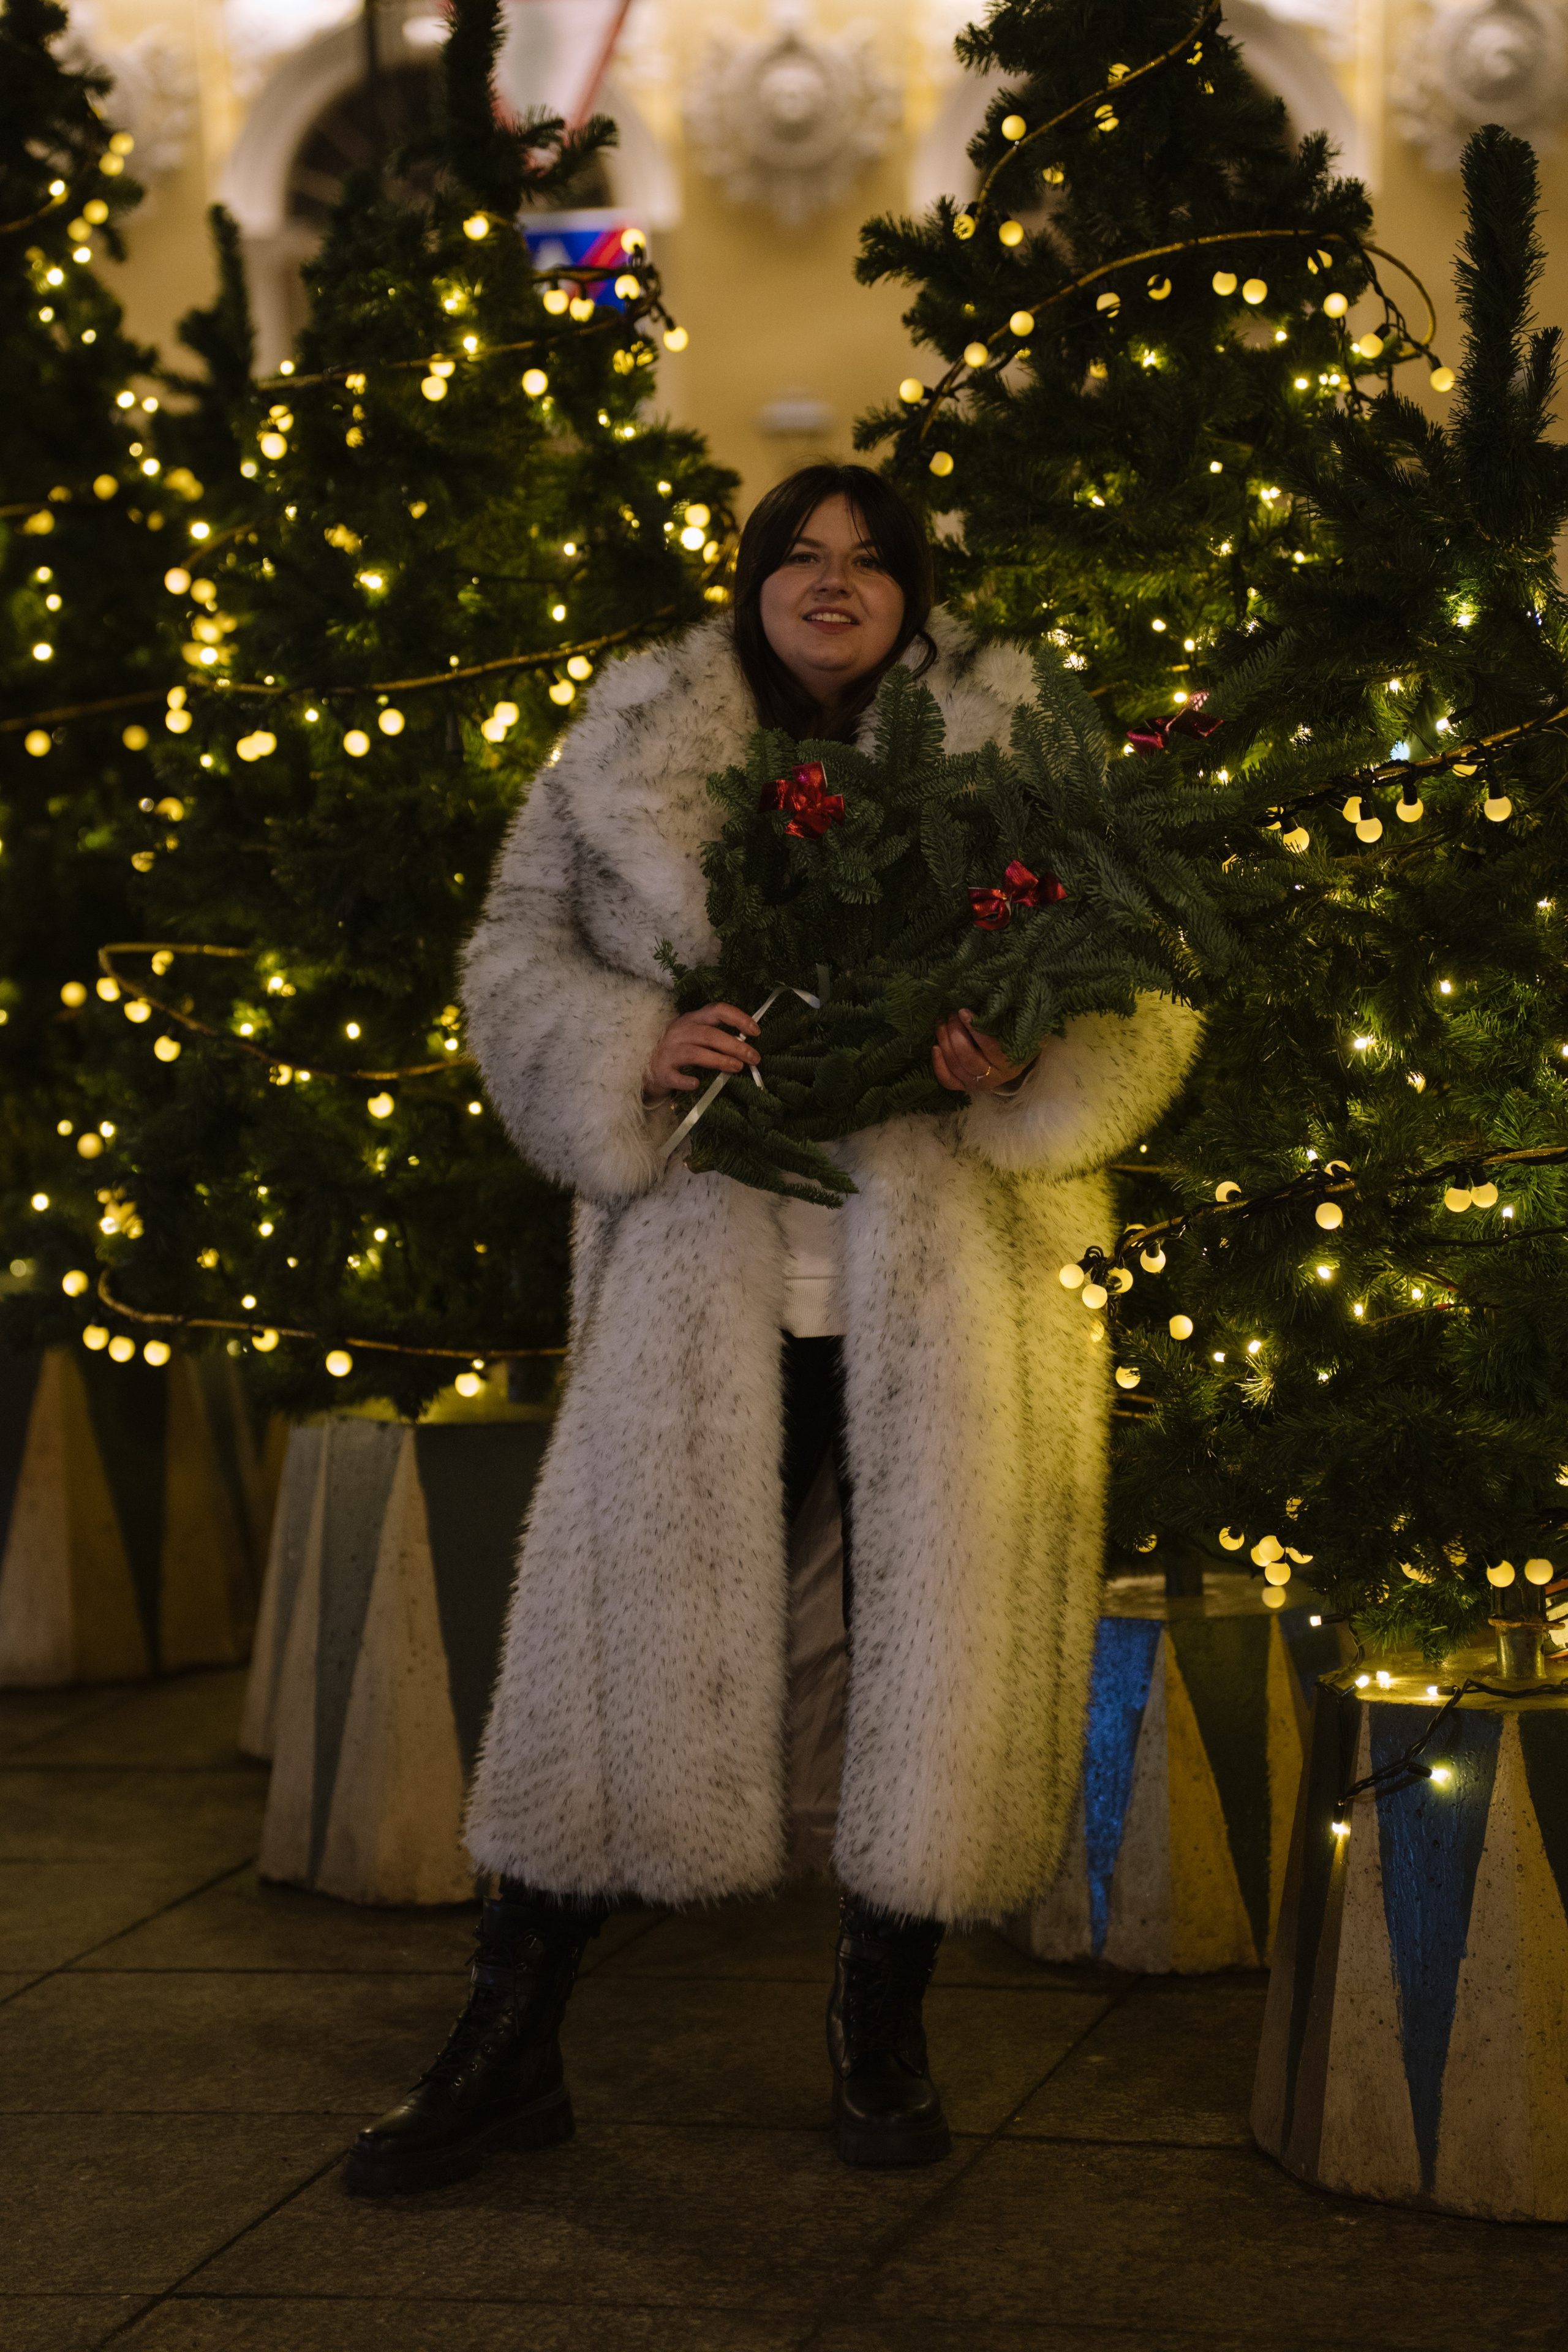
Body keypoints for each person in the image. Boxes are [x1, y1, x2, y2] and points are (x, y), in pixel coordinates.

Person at [344, 464, 1198, 2197]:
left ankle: (882, 2033)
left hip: (949, 1294)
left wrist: (1029, 1057)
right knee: (616, 1647)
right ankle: (507, 2044)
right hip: (694, 1291)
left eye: (867, 562)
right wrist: (626, 1044)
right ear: (750, 583)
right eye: (799, 559)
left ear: (912, 591)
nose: (831, 585)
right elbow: (515, 948)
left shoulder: (1017, 742)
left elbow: (1145, 975)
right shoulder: (632, 745)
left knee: (928, 1675)